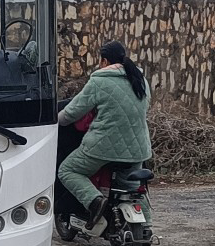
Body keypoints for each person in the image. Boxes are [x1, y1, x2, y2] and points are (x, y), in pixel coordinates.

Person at [56, 40, 151, 227]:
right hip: (138, 148)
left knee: (68, 170)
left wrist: (54, 120)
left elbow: (72, 112)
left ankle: (94, 201)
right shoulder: (140, 79)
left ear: (104, 61)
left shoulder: (100, 80)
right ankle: (146, 228)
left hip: (102, 148)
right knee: (132, 188)